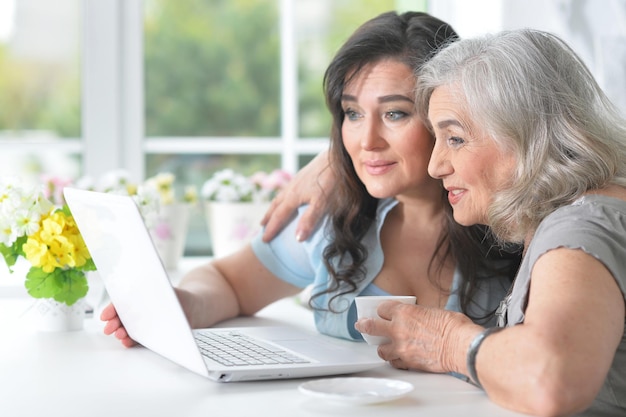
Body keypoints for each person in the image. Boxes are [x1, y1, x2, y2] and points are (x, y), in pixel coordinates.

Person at [101, 11, 517, 349]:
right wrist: (183, 304)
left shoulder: (515, 222)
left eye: (395, 113)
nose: (366, 140)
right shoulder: (334, 217)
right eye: (352, 113)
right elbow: (227, 282)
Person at [359, 30, 626, 416]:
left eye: (455, 138)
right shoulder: (596, 207)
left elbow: (550, 382)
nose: (436, 166)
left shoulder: (580, 228)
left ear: (526, 133)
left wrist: (450, 343)